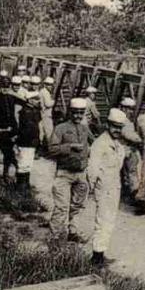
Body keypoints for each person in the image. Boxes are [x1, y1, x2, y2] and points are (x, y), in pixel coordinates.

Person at [87, 108, 129, 267]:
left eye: (120, 127)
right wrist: (91, 189)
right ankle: (96, 257)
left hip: (114, 186)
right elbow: (93, 169)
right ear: (107, 125)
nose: (117, 130)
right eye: (114, 126)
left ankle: (100, 253)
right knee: (103, 220)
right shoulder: (100, 144)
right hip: (104, 187)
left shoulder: (117, 144)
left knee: (109, 221)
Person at [48, 98, 92, 242]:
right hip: (64, 174)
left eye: (81, 113)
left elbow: (93, 144)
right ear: (70, 112)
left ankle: (73, 232)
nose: (78, 116)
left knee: (78, 206)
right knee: (61, 207)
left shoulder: (85, 129)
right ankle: (55, 237)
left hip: (81, 174)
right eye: (75, 113)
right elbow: (52, 149)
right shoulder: (60, 128)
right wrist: (69, 147)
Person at [0, 77, 24, 181]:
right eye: (3, 86)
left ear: (9, 87)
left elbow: (24, 101)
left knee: (10, 152)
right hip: (1, 130)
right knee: (5, 151)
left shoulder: (12, 98)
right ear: (0, 87)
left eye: (7, 87)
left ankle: (6, 173)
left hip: (12, 128)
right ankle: (2, 172)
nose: (5, 89)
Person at [14, 91, 42, 196]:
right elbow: (28, 129)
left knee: (28, 164)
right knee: (23, 164)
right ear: (30, 100)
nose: (38, 101)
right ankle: (21, 188)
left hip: (30, 142)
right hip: (26, 142)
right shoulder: (26, 111)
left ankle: (25, 186)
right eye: (35, 99)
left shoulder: (31, 110)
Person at [118, 97, 143, 200]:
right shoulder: (124, 121)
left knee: (124, 172)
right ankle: (134, 194)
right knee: (132, 172)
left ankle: (126, 192)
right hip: (126, 149)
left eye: (132, 109)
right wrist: (140, 140)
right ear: (124, 108)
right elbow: (129, 135)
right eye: (129, 109)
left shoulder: (121, 119)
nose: (131, 111)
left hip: (121, 148)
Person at [39, 77, 56, 147]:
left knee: (41, 132)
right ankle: (51, 149)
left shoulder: (42, 91)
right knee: (49, 133)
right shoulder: (45, 92)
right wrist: (53, 101)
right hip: (46, 115)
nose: (50, 86)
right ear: (45, 85)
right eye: (49, 85)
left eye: (51, 85)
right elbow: (48, 104)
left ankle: (40, 148)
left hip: (42, 114)